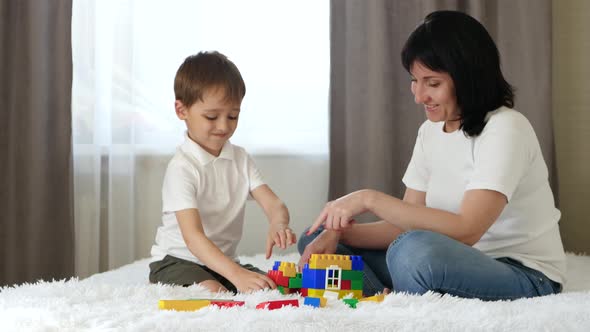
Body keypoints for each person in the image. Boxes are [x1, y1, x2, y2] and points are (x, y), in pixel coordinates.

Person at [298, 10, 565, 301]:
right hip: (444, 262)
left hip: (522, 274)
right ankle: (380, 299)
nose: (419, 95)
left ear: (467, 78)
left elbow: (467, 231)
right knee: (315, 238)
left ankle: (391, 294)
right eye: (415, 80)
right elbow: (404, 223)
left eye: (432, 83)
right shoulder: (430, 131)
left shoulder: (506, 128)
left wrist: (366, 198)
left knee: (412, 250)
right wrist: (339, 233)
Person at [149, 51, 296, 293]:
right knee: (215, 293)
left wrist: (278, 224)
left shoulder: (240, 159)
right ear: (181, 110)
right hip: (177, 261)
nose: (224, 126)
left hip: (222, 263)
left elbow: (274, 203)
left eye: (233, 116)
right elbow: (193, 238)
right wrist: (237, 275)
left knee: (272, 287)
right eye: (211, 116)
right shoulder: (182, 167)